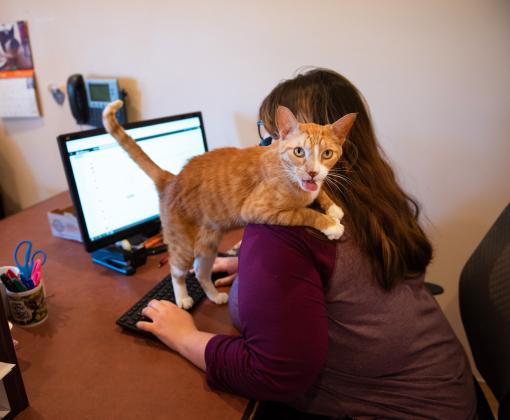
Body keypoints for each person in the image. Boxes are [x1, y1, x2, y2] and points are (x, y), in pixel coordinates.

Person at [137, 68, 477, 419]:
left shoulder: (284, 233)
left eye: (270, 136)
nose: (263, 146)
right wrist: (260, 267)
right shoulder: (372, 199)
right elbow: (347, 270)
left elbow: (272, 374)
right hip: (450, 388)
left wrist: (184, 337)